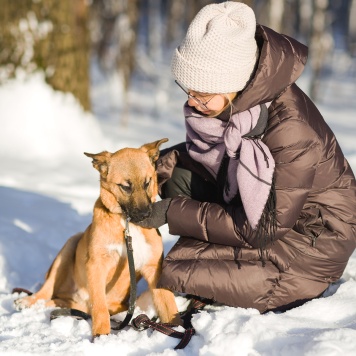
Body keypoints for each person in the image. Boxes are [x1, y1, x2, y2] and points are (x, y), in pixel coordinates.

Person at [137, 1, 356, 313]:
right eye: (188, 90)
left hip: (313, 238)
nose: (191, 102)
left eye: (201, 94)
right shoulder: (239, 105)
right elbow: (217, 156)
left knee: (184, 271)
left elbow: (261, 228)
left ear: (233, 85)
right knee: (178, 176)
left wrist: (172, 212)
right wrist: (149, 170)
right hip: (268, 216)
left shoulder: (291, 132)